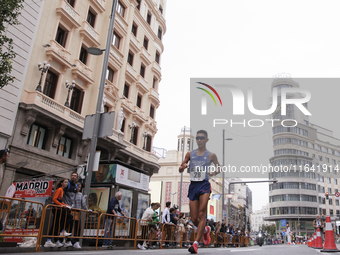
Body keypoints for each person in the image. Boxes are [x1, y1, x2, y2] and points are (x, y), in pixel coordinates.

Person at [179, 130, 221, 254]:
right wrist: (183, 167)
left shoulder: (211, 155)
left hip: (204, 184)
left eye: (202, 138)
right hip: (193, 185)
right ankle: (205, 230)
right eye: (197, 138)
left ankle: (196, 244)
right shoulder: (189, 154)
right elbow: (180, 168)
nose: (199, 140)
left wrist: (214, 172)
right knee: (194, 218)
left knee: (202, 213)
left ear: (206, 140)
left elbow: (219, 167)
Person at [44, 179, 72, 248]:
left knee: (57, 224)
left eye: (67, 182)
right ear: (61, 183)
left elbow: (59, 200)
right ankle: (50, 239)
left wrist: (65, 205)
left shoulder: (62, 190)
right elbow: (54, 199)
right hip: (56, 209)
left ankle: (55, 239)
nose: (66, 184)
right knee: (57, 223)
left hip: (59, 208)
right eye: (65, 182)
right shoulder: (59, 189)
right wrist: (61, 205)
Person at [68, 182, 88, 249]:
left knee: (77, 227)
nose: (78, 188)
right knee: (70, 226)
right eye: (77, 187)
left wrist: (87, 210)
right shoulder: (71, 193)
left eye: (79, 187)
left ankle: (76, 242)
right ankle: (68, 241)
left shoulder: (80, 195)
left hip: (77, 212)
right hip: (71, 211)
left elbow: (83, 204)